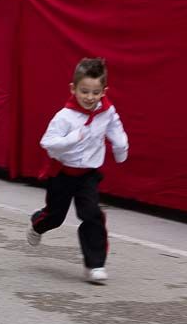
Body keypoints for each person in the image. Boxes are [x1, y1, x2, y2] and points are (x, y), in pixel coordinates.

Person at [28, 58, 128, 284]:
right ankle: (37, 224)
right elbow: (48, 142)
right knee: (55, 217)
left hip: (88, 174)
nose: (90, 97)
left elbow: (116, 129)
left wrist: (121, 148)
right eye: (84, 91)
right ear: (73, 89)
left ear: (104, 91)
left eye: (95, 92)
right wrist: (73, 139)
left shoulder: (107, 112)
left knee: (92, 214)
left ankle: (95, 265)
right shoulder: (65, 116)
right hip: (62, 173)